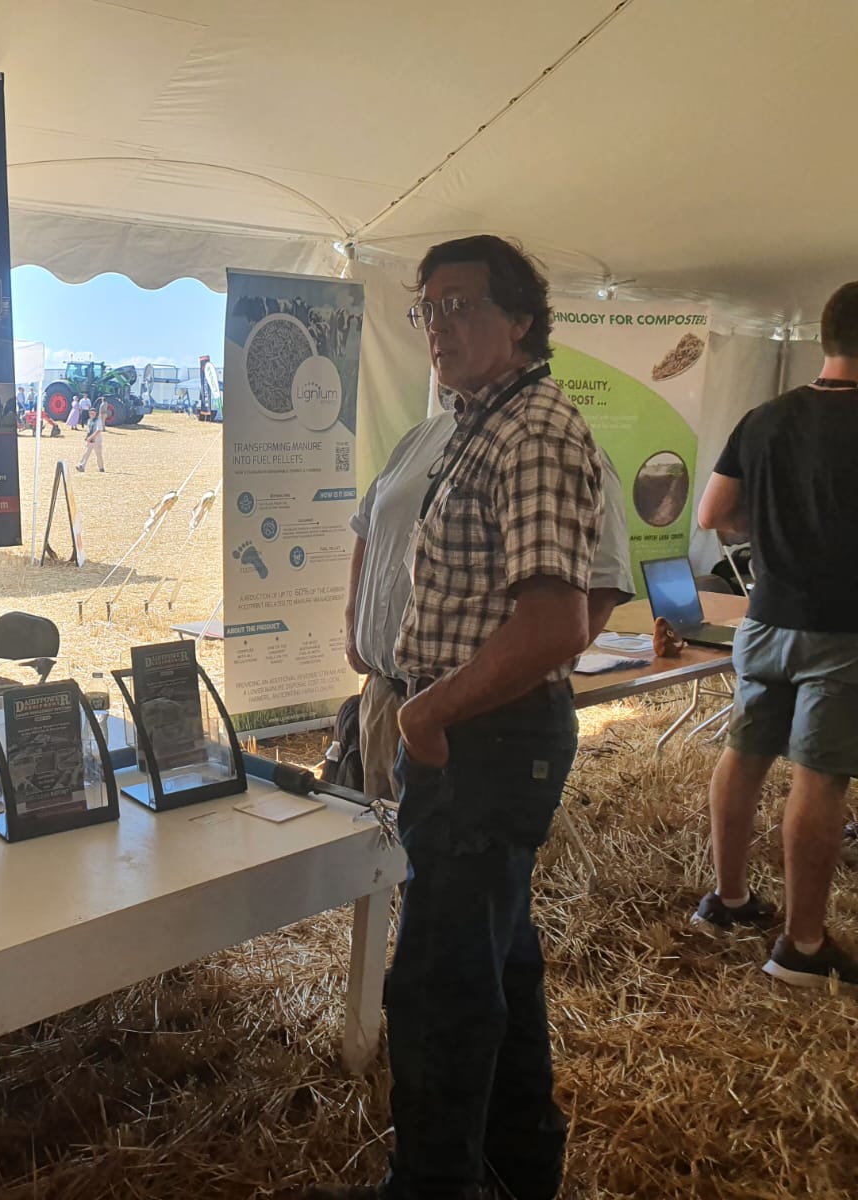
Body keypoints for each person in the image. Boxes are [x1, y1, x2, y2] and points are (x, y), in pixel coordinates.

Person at [315, 236, 604, 1200]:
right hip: (471, 736)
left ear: (521, 320)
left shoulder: (534, 432)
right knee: (496, 965)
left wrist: (431, 712)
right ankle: (518, 1170)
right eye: (427, 308)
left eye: (462, 305)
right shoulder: (481, 421)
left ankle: (433, 1185)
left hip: (486, 741)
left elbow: (558, 620)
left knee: (437, 986)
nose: (439, 325)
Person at [690, 280, 858, 987]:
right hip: (843, 631)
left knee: (746, 754)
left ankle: (727, 901)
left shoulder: (764, 417)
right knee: (822, 780)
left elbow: (713, 514)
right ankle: (803, 945)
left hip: (764, 619)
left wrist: (778, 533)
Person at [346, 403, 634, 803]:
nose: (437, 338)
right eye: (428, 332)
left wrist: (463, 700)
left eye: (457, 332)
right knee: (378, 858)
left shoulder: (558, 448)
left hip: (476, 722)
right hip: (385, 700)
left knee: (461, 862)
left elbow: (598, 593)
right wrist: (352, 629)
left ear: (516, 336)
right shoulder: (424, 435)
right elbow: (367, 524)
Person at [76, 402, 106, 473]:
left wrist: (91, 437)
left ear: (96, 414)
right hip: (90, 440)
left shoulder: (98, 420)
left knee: (98, 455)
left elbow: (99, 430)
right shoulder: (89, 421)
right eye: (90, 413)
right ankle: (81, 466)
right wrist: (87, 438)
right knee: (86, 453)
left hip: (97, 440)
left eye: (93, 413)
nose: (92, 415)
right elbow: (89, 430)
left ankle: (101, 467)